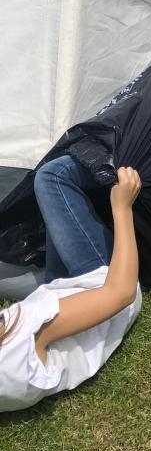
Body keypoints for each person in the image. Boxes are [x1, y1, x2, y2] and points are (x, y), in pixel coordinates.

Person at [0, 160, 142, 412]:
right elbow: (121, 293)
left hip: (59, 295)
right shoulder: (19, 335)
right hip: (105, 286)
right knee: (51, 177)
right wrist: (123, 208)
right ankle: (124, 157)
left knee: (51, 204)